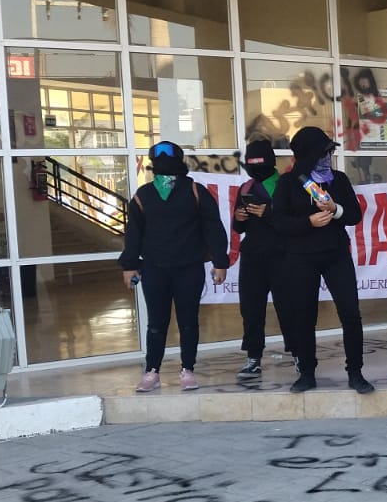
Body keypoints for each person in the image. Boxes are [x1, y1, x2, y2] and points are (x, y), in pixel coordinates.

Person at [269, 125, 373, 394]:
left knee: (350, 312)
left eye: (328, 152)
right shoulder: (288, 182)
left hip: (336, 254)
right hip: (301, 258)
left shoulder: (338, 180)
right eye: (322, 153)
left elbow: (354, 215)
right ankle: (306, 372)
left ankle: (355, 372)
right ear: (308, 155)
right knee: (304, 316)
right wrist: (308, 222)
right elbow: (278, 221)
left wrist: (335, 210)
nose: (327, 158)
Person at [119, 141, 228, 392]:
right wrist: (130, 266)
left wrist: (221, 262)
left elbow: (214, 228)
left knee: (188, 321)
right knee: (156, 323)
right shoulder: (142, 196)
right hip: (155, 269)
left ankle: (187, 370)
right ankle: (152, 372)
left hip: (189, 267)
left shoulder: (195, 191)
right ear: (152, 165)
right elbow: (133, 235)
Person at [232, 138, 292, 380]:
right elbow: (238, 228)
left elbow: (296, 223)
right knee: (251, 310)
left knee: (289, 309)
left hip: (283, 256)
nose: (255, 169)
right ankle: (253, 357)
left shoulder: (287, 185)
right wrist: (240, 217)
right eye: (250, 164)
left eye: (259, 163)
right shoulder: (246, 188)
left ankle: (299, 353)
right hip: (252, 258)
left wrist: (268, 213)